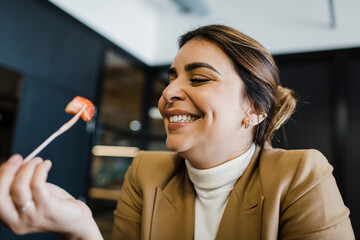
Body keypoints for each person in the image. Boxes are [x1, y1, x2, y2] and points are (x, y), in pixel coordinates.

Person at [0, 24, 355, 240]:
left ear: (255, 109)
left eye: (198, 78)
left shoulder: (301, 175)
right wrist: (79, 228)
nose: (168, 93)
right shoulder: (146, 170)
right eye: (171, 77)